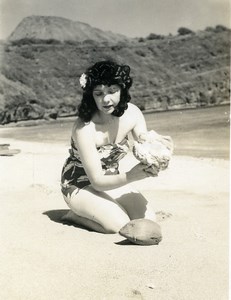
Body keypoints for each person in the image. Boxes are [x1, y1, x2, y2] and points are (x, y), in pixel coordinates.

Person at [61, 60, 170, 234]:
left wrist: (159, 148)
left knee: (148, 221)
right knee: (119, 226)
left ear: (122, 89)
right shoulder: (84, 128)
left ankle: (103, 210)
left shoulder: (133, 113)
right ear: (91, 95)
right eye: (99, 93)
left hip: (113, 180)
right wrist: (133, 175)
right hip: (79, 184)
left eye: (112, 91)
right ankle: (76, 215)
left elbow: (144, 142)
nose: (106, 99)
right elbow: (96, 182)